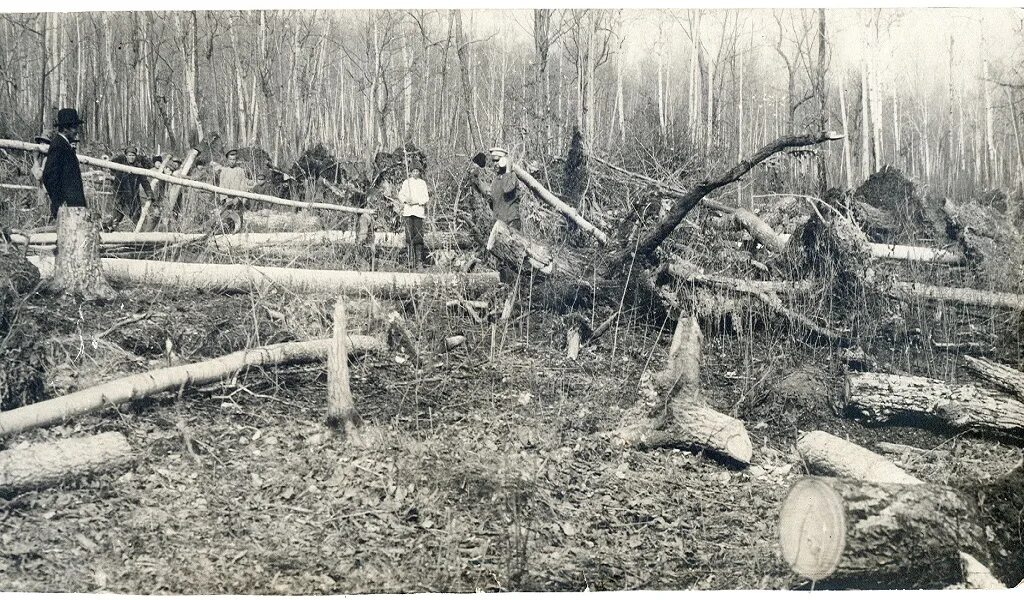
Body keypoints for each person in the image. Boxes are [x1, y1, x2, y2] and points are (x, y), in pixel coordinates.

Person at [40, 108, 88, 221]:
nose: (77, 131)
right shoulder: (58, 145)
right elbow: (49, 176)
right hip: (67, 208)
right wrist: (61, 202)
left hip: (73, 207)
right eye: (74, 127)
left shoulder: (64, 145)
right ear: (65, 128)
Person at [105, 146, 153, 230]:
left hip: (133, 197)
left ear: (136, 156)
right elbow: (116, 184)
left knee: (136, 219)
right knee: (116, 219)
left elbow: (145, 182)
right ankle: (106, 232)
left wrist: (149, 193)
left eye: (133, 155)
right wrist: (117, 198)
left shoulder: (138, 168)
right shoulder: (120, 167)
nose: (131, 157)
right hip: (121, 197)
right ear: (126, 156)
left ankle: (138, 238)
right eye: (129, 155)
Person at [397, 166, 430, 267]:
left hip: (418, 212)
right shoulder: (406, 182)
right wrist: (406, 200)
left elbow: (426, 198)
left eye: (417, 171)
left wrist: (417, 201)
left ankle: (419, 260)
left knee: (418, 236)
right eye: (413, 171)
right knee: (409, 236)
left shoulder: (422, 183)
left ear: (419, 172)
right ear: (411, 172)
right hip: (408, 212)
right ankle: (410, 260)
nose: (415, 173)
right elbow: (400, 195)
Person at [490, 154, 522, 230]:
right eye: (494, 161)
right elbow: (494, 203)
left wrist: (508, 169)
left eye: (498, 161)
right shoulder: (496, 180)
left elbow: (507, 188)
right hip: (499, 222)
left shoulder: (511, 176)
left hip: (511, 221)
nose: (495, 164)